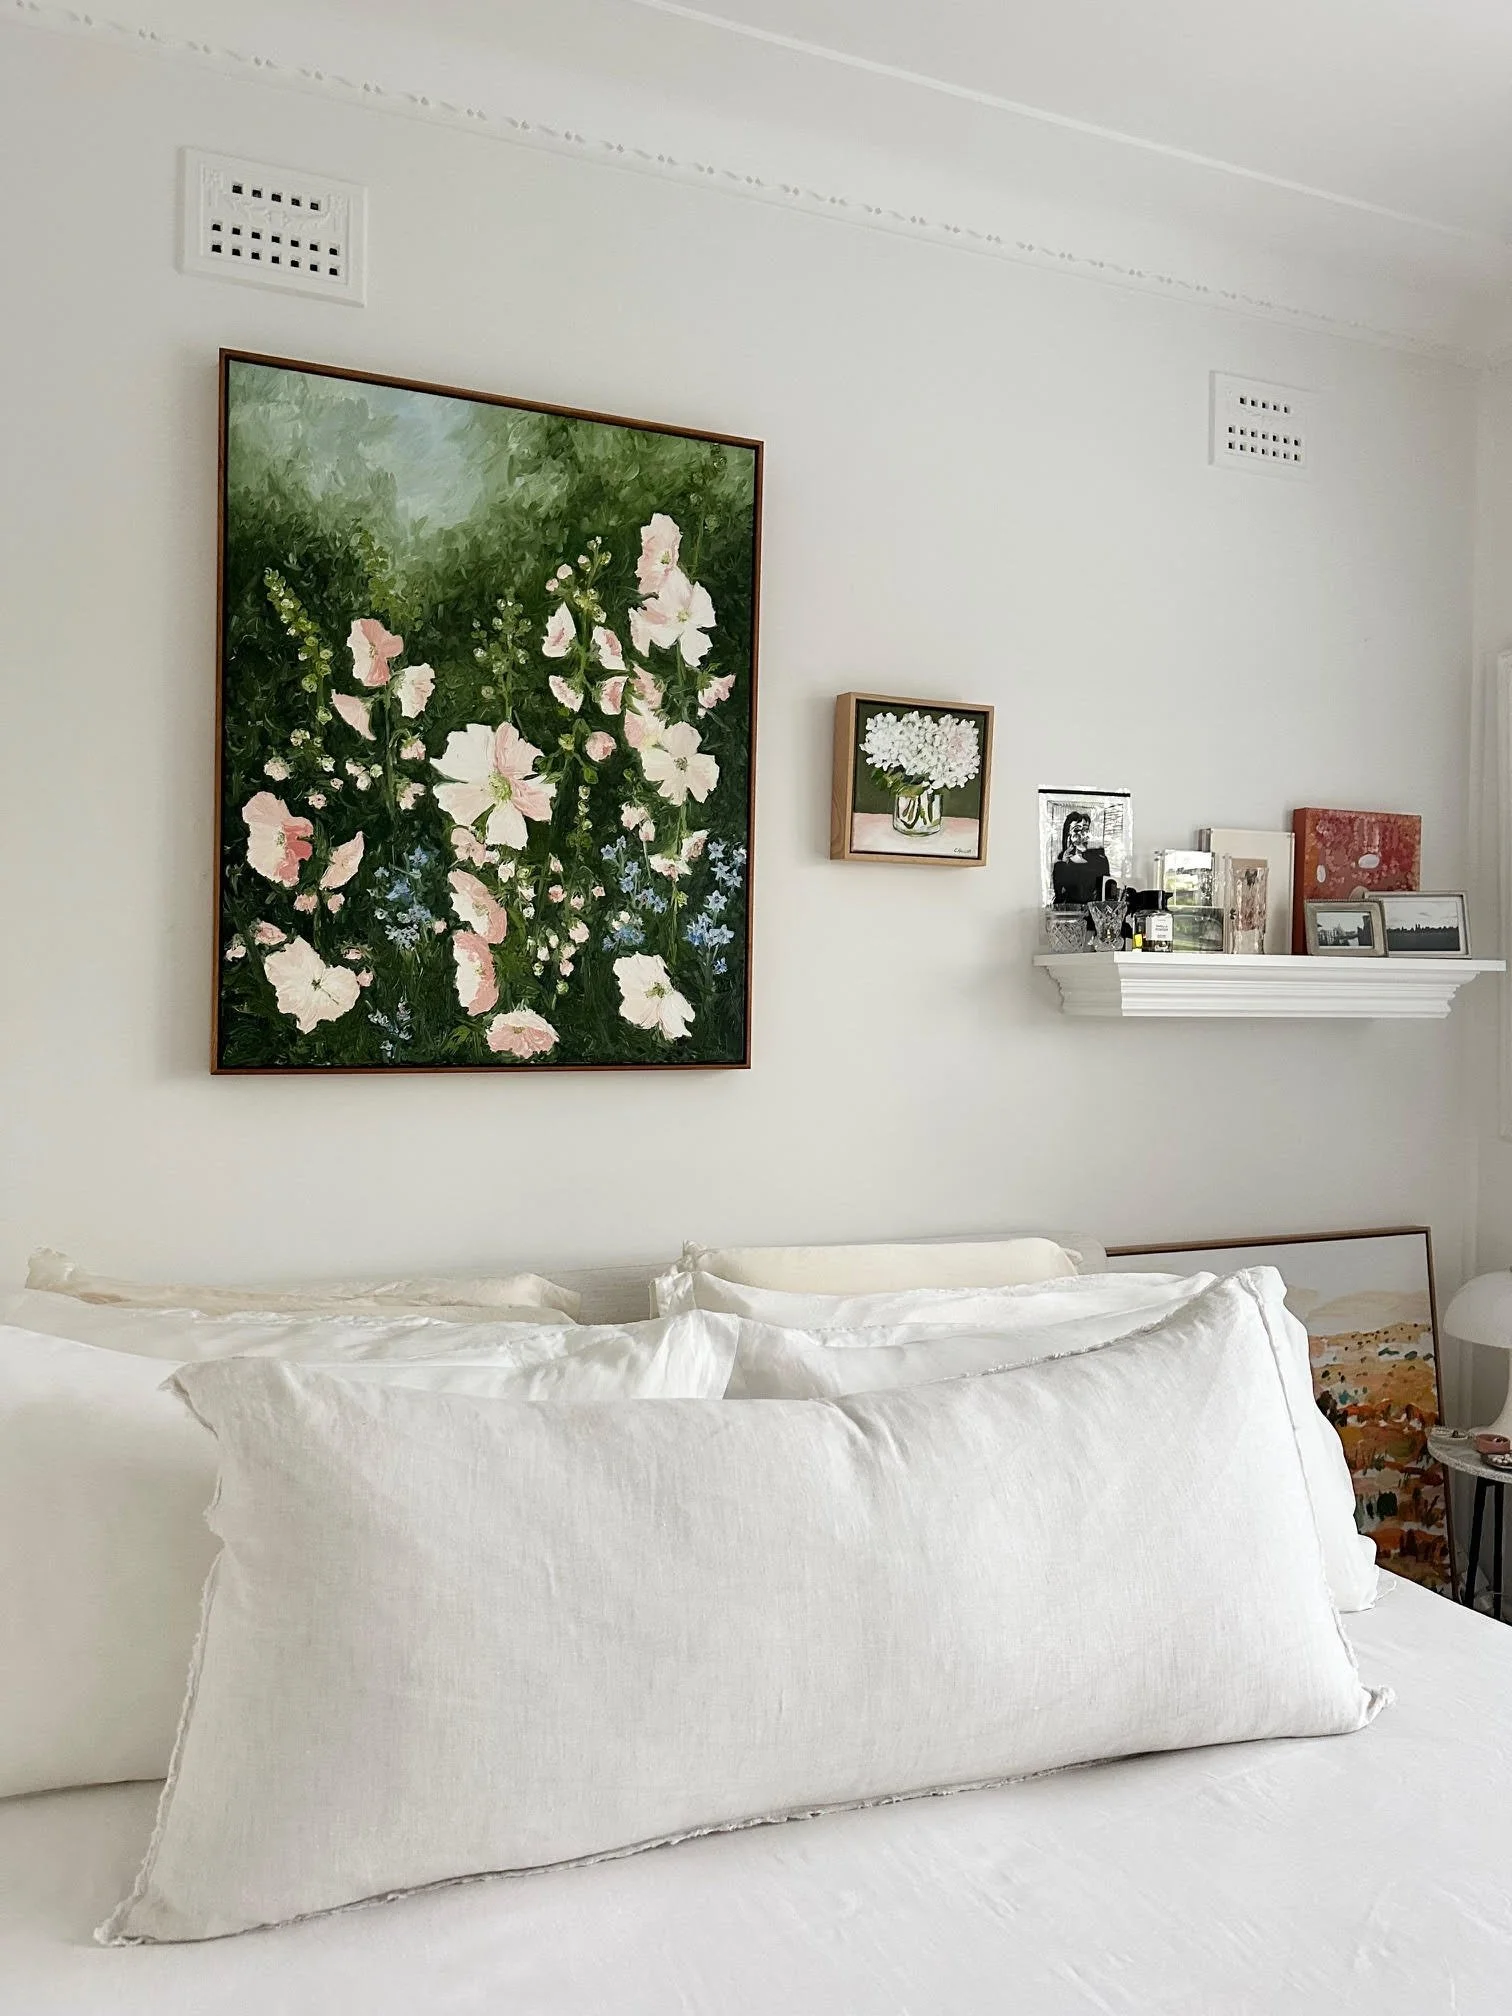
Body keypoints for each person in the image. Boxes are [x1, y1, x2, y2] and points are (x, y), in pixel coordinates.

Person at [1051, 810, 1111, 908]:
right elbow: (1059, 899)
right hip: (1071, 914)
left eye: (1086, 829)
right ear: (1068, 836)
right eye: (1076, 830)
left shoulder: (1101, 862)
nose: (1083, 834)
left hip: (1094, 914)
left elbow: (1107, 897)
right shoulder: (1060, 866)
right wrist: (1063, 865)